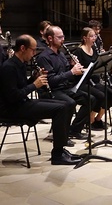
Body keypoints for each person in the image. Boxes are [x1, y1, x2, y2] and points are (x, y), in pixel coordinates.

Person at [0, 34, 81, 165]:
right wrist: (35, 85)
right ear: (22, 48)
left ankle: (61, 148)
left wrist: (33, 78)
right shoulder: (9, 67)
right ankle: (57, 154)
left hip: (21, 104)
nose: (34, 53)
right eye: (32, 50)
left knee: (67, 104)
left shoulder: (20, 63)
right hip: (11, 109)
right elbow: (13, 96)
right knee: (60, 108)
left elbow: (22, 86)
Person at [37, 25, 97, 140]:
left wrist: (73, 66)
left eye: (63, 36)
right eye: (59, 37)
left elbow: (65, 73)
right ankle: (61, 135)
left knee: (90, 99)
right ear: (50, 38)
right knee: (69, 103)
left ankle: (74, 130)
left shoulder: (61, 54)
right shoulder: (44, 57)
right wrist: (72, 72)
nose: (63, 39)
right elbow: (51, 80)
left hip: (64, 88)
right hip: (51, 90)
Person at [73, 27, 112, 130]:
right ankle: (90, 120)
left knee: (111, 95)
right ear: (84, 38)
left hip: (94, 81)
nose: (94, 38)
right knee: (100, 96)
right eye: (91, 36)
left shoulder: (94, 50)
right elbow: (77, 70)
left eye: (95, 36)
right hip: (83, 82)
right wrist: (89, 70)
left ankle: (97, 119)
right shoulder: (79, 51)